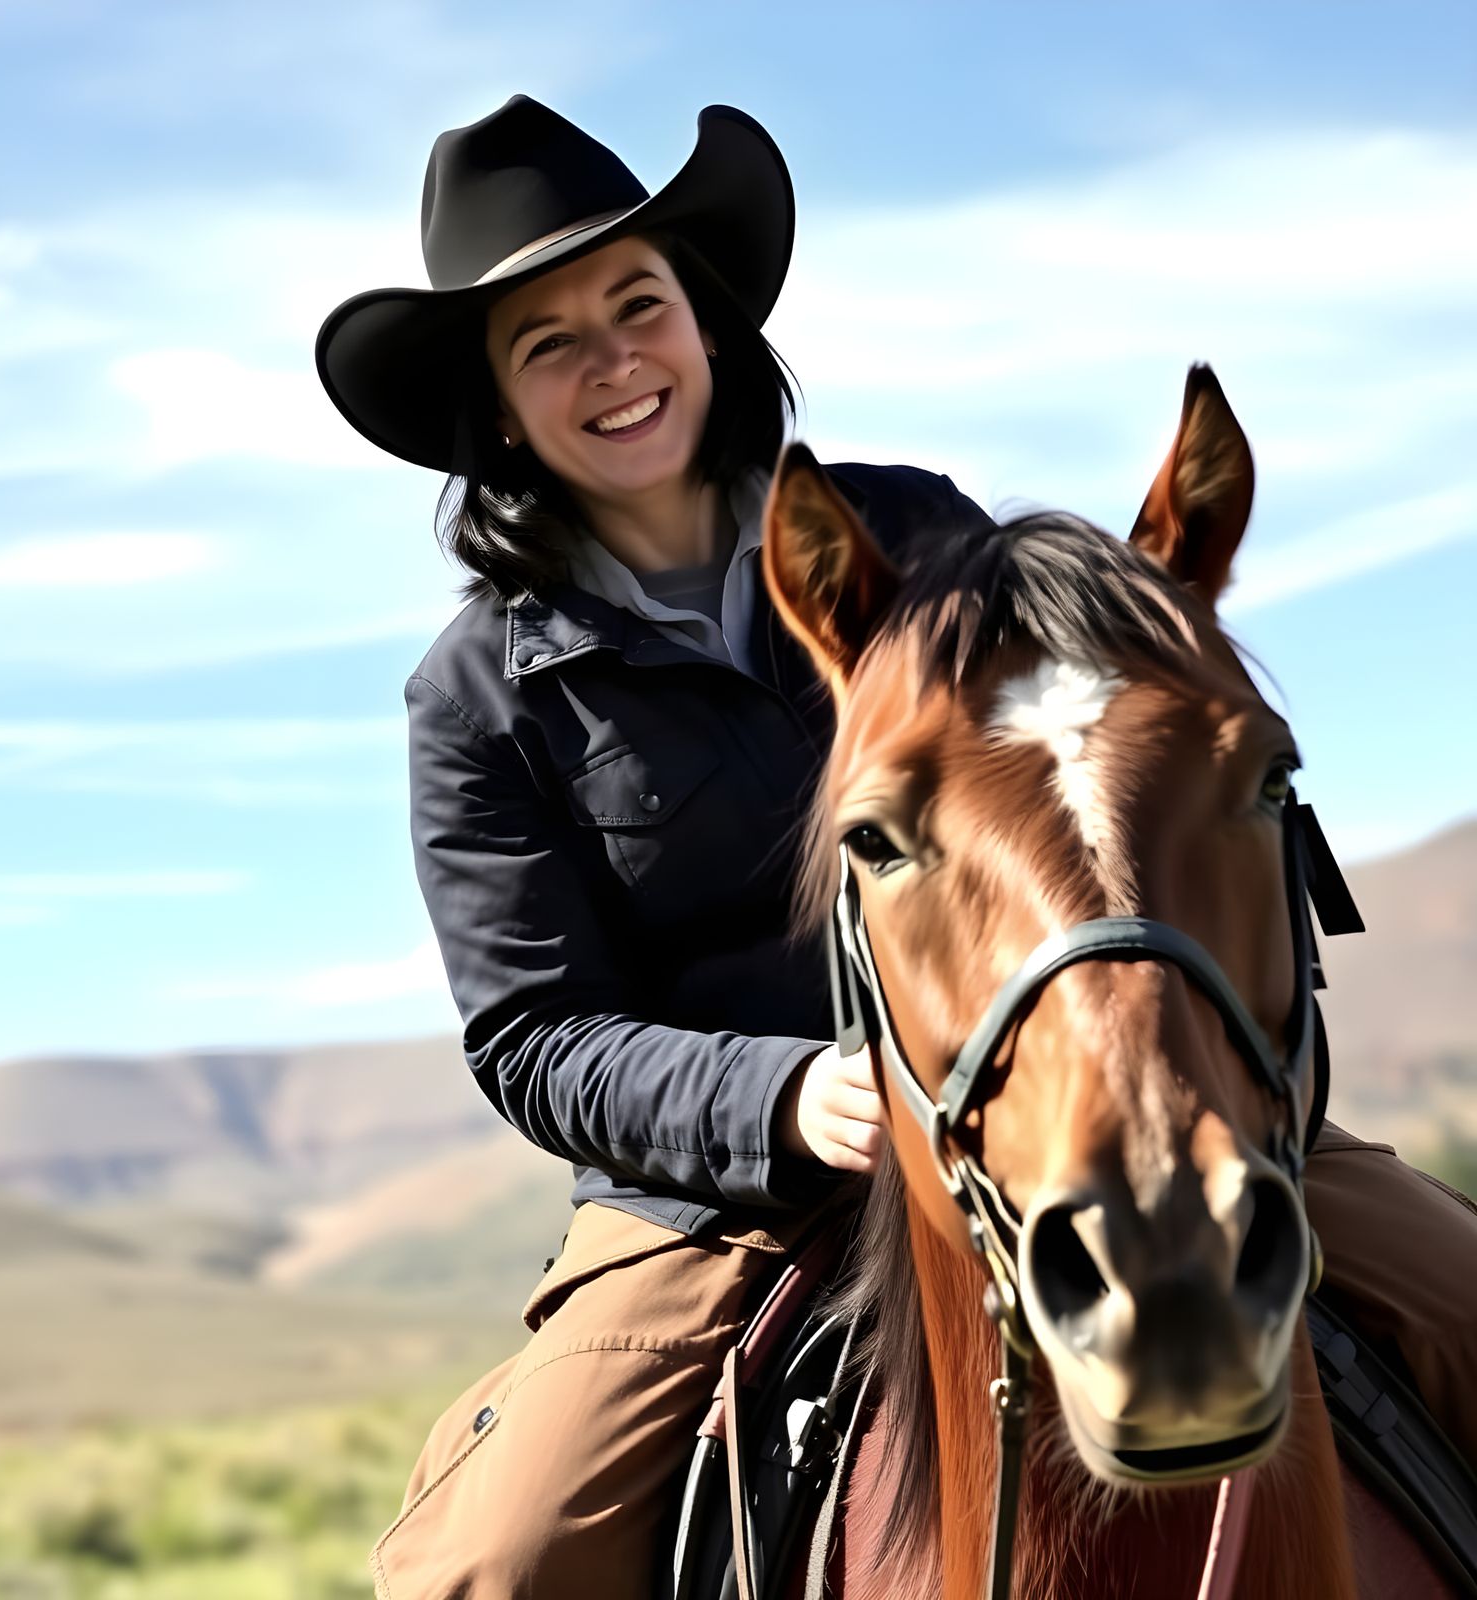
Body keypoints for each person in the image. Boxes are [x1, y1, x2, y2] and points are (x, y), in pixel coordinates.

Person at [315, 96, 1477, 1600]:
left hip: (1083, 1082)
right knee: (496, 1558)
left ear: (706, 325)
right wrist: (789, 1095)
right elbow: (535, 1035)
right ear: (500, 410)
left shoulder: (922, 535)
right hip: (735, 1196)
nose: (613, 363)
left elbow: (1090, 778)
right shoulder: (476, 696)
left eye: (637, 304)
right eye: (550, 343)